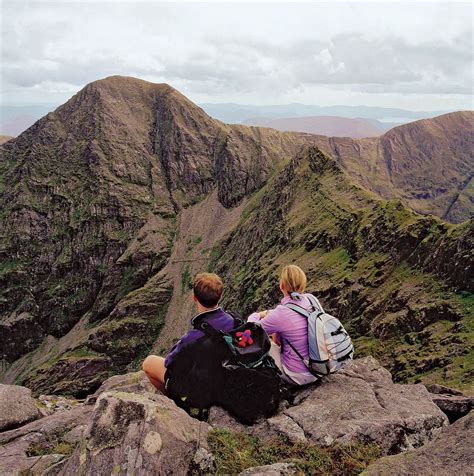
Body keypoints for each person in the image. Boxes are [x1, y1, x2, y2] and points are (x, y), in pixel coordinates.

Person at [142, 272, 236, 393]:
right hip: (224, 376)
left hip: (202, 386)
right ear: (221, 296)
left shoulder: (193, 336)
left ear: (194, 298)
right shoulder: (234, 320)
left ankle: (171, 401)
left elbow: (170, 362)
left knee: (149, 362)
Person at [248, 264, 319, 386]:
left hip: (299, 375)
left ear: (282, 286)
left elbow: (252, 330)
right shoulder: (312, 300)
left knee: (261, 344)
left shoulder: (281, 313)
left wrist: (258, 315)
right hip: (319, 368)